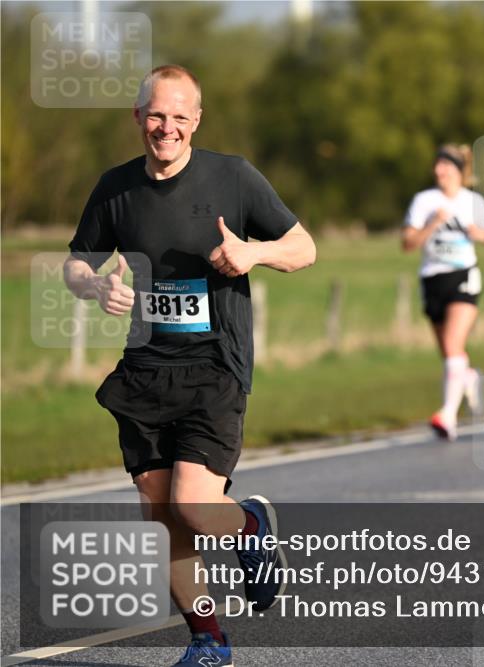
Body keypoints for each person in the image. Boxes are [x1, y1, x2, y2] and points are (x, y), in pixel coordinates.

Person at [63, 65, 316, 667]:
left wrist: (254, 252)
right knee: (162, 515)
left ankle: (249, 526)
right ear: (138, 117)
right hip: (145, 367)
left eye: (180, 116)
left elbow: (304, 248)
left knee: (195, 509)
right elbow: (75, 263)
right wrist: (95, 287)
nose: (167, 127)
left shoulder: (234, 176)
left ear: (197, 120)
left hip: (215, 364)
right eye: (156, 115)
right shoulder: (115, 188)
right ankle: (209, 641)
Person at [402, 144, 484, 441]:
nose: (438, 171)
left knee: (453, 341)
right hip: (432, 279)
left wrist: (479, 234)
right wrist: (432, 223)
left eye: (444, 166)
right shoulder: (424, 201)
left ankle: (447, 415)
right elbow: (407, 244)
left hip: (464, 275)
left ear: (458, 170)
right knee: (448, 352)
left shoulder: (473, 201)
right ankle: (469, 377)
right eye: (436, 165)